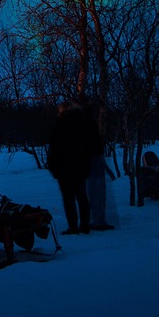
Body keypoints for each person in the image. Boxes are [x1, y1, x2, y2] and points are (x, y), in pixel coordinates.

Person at [46, 101, 102, 235]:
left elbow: (55, 147)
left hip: (64, 167)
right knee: (81, 196)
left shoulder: (61, 124)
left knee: (68, 198)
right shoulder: (83, 123)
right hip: (80, 166)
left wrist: (53, 165)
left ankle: (73, 227)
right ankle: (84, 226)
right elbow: (93, 145)